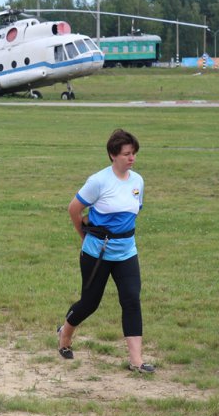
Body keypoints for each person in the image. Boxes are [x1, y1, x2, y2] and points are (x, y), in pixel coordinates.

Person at [57, 129, 155, 374]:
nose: (132, 158)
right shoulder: (98, 181)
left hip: (126, 252)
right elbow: (74, 209)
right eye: (126, 154)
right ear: (113, 155)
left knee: (131, 300)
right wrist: (85, 236)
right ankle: (65, 334)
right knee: (90, 303)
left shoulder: (138, 181)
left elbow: (132, 213)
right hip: (96, 253)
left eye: (134, 153)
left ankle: (136, 361)